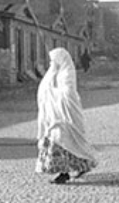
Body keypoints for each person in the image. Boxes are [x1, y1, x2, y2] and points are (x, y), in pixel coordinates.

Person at [36, 48, 98, 184]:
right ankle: (68, 171)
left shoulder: (67, 73)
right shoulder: (55, 73)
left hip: (67, 116)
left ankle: (66, 173)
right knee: (61, 143)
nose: (52, 63)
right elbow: (44, 88)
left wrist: (53, 94)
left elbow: (68, 93)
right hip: (55, 116)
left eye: (54, 60)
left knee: (65, 142)